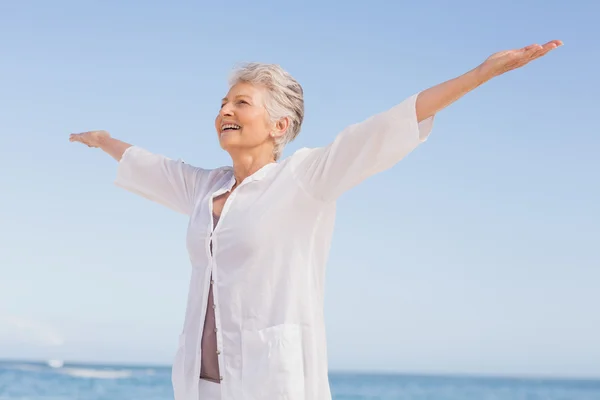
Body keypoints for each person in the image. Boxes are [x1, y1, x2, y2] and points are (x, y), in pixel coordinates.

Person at [69, 40, 562, 400]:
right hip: (197, 385)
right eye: (222, 103)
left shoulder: (305, 179)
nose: (225, 110)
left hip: (271, 383)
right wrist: (104, 139)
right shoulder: (206, 187)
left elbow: (385, 127)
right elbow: (149, 164)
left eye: (241, 102)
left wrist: (483, 73)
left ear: (280, 125)